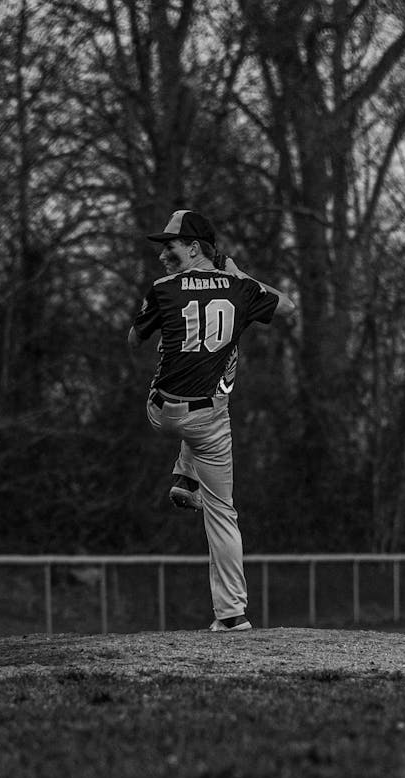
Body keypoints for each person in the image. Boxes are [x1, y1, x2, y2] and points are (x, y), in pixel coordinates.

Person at [128, 209, 295, 632]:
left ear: (195, 247)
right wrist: (242, 277)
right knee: (222, 513)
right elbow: (288, 308)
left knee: (206, 379)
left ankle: (186, 478)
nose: (164, 253)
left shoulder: (163, 289)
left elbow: (133, 341)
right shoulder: (239, 287)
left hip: (161, 411)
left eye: (171, 246)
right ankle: (232, 616)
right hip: (208, 420)